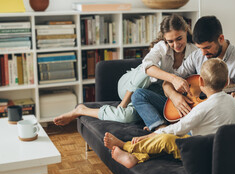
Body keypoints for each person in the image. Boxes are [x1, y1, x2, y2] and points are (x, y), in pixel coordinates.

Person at [53, 14, 198, 126]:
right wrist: (173, 78)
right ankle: (123, 104)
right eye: (170, 41)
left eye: (179, 38)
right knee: (148, 69)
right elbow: (146, 66)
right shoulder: (161, 47)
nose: (176, 44)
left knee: (125, 117)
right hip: (129, 85)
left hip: (149, 92)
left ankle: (81, 110)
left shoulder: (194, 52)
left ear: (186, 30)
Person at [103, 58, 235, 168]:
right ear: (227, 81)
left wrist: (151, 135)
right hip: (220, 151)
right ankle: (136, 157)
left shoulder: (203, 107)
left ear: (201, 81)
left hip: (201, 152)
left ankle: (125, 146)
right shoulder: (232, 101)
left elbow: (178, 128)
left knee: (166, 140)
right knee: (173, 139)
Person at [131, 15, 235, 130]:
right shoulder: (197, 56)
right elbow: (167, 84)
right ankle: (160, 128)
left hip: (207, 116)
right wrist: (175, 97)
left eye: (207, 48)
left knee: (194, 131)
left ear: (221, 38)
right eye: (200, 48)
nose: (203, 54)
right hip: (189, 106)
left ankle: (164, 132)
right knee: (138, 95)